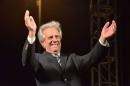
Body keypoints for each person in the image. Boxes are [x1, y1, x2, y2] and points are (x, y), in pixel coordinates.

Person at [22, 10, 116, 86]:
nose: (55, 40)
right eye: (50, 37)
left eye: (57, 36)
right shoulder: (38, 59)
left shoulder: (72, 59)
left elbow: (92, 58)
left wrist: (103, 38)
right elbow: (27, 60)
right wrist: (31, 32)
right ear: (43, 43)